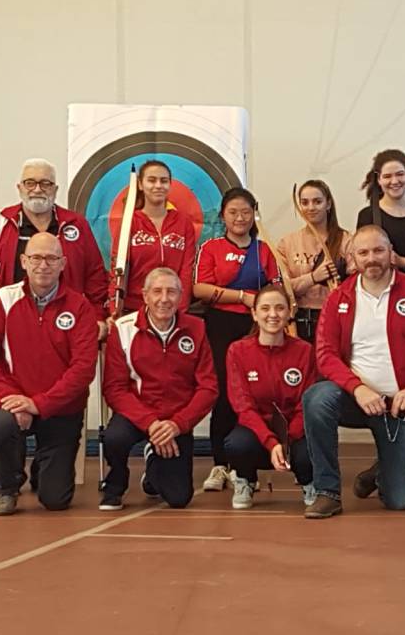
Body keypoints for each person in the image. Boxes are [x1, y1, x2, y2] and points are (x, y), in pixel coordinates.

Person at [302, 225, 405, 519]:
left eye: (378, 250)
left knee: (399, 500)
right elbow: (325, 354)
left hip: (400, 407)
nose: (371, 258)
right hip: (355, 400)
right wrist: (356, 387)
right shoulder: (339, 299)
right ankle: (327, 492)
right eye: (363, 252)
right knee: (317, 398)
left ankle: (381, 472)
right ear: (352, 258)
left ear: (391, 254)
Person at [0, 233, 98, 515]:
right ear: (24, 262)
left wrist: (39, 403)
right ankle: (7, 487)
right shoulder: (4, 299)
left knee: (55, 500)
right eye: (36, 257)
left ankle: (43, 467)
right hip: (14, 403)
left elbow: (83, 368)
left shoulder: (80, 307)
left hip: (61, 409)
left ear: (63, 263)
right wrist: (9, 397)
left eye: (51, 258)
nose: (43, 265)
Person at [101, 267, 216, 510]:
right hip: (137, 415)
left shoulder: (197, 328)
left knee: (178, 498)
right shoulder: (123, 329)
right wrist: (151, 424)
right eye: (157, 291)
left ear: (181, 296)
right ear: (144, 296)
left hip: (176, 420)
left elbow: (208, 388)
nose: (164, 299)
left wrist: (178, 424)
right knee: (114, 438)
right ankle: (115, 483)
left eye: (171, 292)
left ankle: (153, 462)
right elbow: (114, 389)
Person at [193, 188, 280, 492]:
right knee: (223, 391)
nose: (240, 218)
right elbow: (200, 289)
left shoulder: (264, 250)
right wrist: (243, 296)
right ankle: (220, 464)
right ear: (223, 216)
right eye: (233, 212)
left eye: (245, 212)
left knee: (253, 391)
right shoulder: (212, 247)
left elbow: (275, 288)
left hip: (255, 326)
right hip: (221, 325)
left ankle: (246, 466)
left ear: (254, 213)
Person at [0, 158, 108, 333]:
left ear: (55, 190)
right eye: (30, 183)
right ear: (19, 188)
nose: (37, 189)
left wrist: (98, 315)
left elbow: (95, 274)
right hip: (12, 322)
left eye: (45, 183)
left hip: (67, 323)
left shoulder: (76, 223)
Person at [223, 285, 317, 509]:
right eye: (265, 308)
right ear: (254, 314)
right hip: (256, 430)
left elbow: (307, 403)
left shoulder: (305, 351)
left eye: (279, 308)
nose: (273, 315)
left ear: (290, 312)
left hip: (294, 431)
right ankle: (245, 480)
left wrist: (286, 440)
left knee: (311, 450)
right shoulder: (237, 351)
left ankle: (309, 482)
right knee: (236, 444)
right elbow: (242, 406)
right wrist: (271, 441)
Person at [110, 159, 197, 315]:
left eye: (163, 181)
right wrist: (114, 308)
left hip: (171, 308)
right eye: (151, 180)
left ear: (170, 185)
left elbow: (186, 271)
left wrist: (180, 309)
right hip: (135, 309)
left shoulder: (184, 223)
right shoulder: (129, 222)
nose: (158, 186)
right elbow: (117, 266)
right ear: (140, 185)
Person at [276, 180, 353, 342]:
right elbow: (282, 288)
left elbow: (357, 284)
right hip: (298, 321)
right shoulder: (287, 242)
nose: (311, 208)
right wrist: (313, 277)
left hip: (335, 317)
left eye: (317, 202)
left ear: (328, 204)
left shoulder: (346, 241)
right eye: (305, 203)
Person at [355, 149, 405, 277]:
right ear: (378, 179)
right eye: (387, 176)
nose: (394, 181)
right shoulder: (367, 216)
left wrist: (402, 262)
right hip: (382, 290)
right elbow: (362, 260)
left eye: (400, 174)